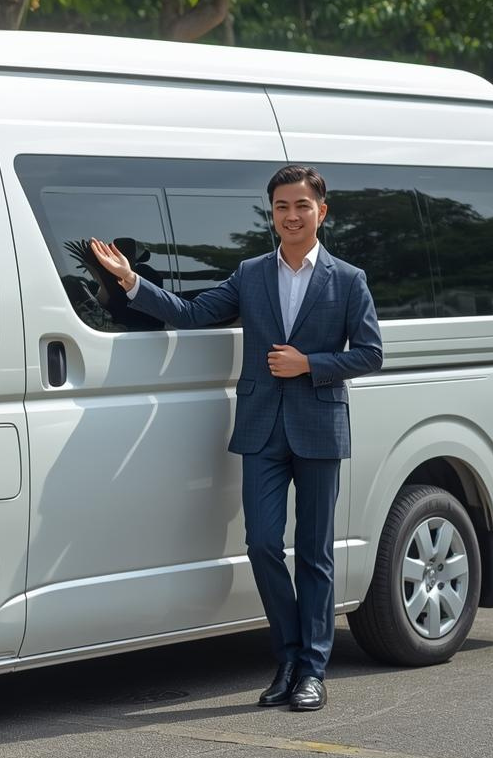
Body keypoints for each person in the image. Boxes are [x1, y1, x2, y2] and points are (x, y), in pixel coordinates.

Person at [90, 164, 383, 711]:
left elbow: (370, 353)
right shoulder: (250, 273)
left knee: (315, 554)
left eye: (301, 205)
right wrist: (131, 282)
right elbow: (192, 313)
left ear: (321, 211)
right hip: (261, 428)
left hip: (319, 427)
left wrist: (309, 364)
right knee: (263, 544)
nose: (291, 216)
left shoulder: (348, 279)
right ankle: (288, 658)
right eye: (281, 207)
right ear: (271, 214)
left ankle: (313, 669)